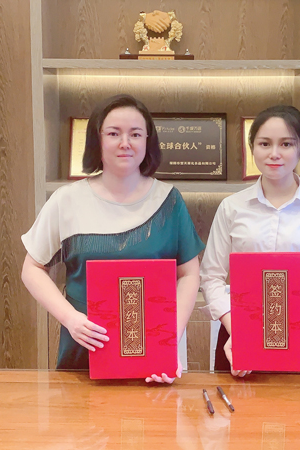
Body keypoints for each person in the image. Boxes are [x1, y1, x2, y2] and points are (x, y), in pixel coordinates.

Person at [21, 94, 204, 383]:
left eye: (135, 134)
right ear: (97, 139)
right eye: (114, 133)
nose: (125, 143)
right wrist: (70, 319)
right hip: (85, 349)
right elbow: (31, 268)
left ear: (148, 141)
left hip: (154, 355)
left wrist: (171, 336)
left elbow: (189, 274)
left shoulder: (169, 201)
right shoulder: (67, 200)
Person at [199, 105, 300, 376]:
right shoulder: (231, 208)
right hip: (237, 335)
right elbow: (211, 277)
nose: (274, 153)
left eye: (286, 144)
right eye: (265, 143)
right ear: (252, 147)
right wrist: (239, 330)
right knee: (235, 404)